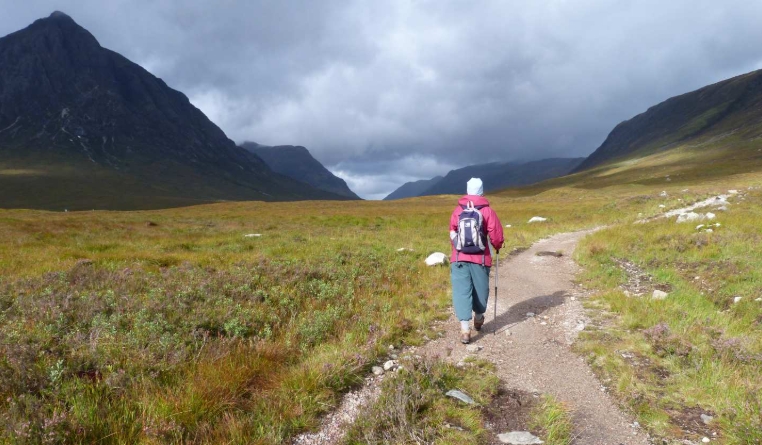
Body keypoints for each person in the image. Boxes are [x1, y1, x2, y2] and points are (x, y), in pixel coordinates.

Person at [449, 178, 504, 344]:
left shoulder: (457, 210)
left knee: (461, 291)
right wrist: (498, 246)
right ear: (482, 192)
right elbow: (496, 235)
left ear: (467, 191)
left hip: (459, 258)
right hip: (481, 259)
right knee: (481, 291)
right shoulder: (487, 211)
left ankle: (465, 331)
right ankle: (479, 318)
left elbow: (452, 230)